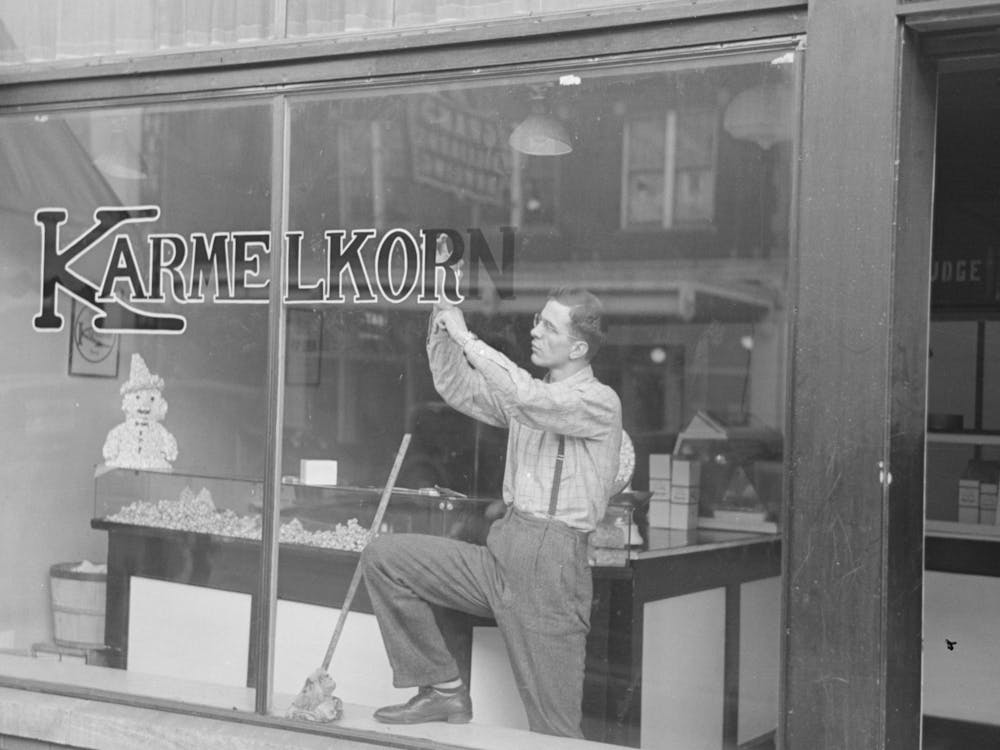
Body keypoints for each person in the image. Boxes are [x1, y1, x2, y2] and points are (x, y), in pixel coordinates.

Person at [361, 287, 622, 738]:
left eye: (548, 326)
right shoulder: (528, 394)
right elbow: (459, 388)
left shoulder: (598, 401)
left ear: (579, 348)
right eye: (537, 320)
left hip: (552, 571)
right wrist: (442, 328)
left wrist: (468, 339)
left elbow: (528, 401)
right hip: (503, 552)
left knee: (555, 732)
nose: (534, 330)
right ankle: (445, 689)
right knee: (385, 559)